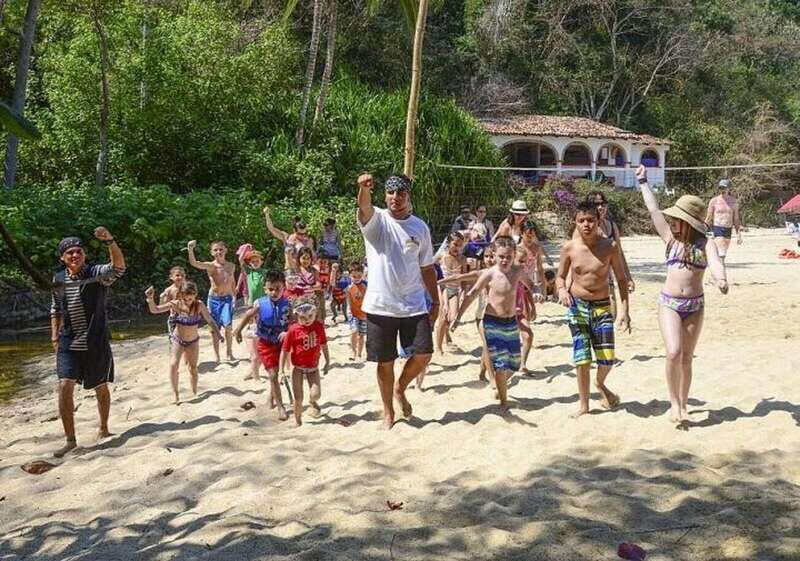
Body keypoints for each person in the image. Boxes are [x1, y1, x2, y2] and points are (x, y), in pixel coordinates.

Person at [636, 165, 728, 424]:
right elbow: (653, 210)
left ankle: (684, 404)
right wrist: (643, 181)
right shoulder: (670, 239)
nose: (673, 223)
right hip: (669, 304)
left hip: (695, 305)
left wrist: (721, 278)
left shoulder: (705, 244)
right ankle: (673, 403)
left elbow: (717, 262)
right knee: (674, 352)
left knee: (687, 357)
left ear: (688, 222)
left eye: (677, 220)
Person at [356, 172, 439, 429]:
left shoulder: (420, 227)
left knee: (424, 354)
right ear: (385, 195)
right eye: (391, 192)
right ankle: (388, 412)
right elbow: (364, 207)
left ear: (408, 195)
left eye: (401, 192)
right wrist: (363, 188)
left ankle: (400, 387)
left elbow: (427, 267)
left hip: (413, 303)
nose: (395, 197)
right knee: (385, 361)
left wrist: (435, 301)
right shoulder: (377, 221)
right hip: (381, 304)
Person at [50, 227, 125, 458]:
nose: (75, 255)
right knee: (64, 385)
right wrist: (54, 335)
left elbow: (119, 268)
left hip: (95, 339)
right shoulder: (58, 279)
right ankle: (70, 440)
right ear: (63, 258)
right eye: (70, 252)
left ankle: (103, 427)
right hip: (68, 341)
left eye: (78, 251)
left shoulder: (96, 273)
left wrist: (110, 241)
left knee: (99, 385)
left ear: (84, 254)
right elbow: (55, 308)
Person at [555, 201, 631, 418]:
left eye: (590, 220)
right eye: (582, 221)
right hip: (577, 306)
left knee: (607, 358)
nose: (586, 224)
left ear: (598, 221)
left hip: (602, 306)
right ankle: (584, 406)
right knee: (582, 357)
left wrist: (625, 311)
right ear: (576, 223)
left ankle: (600, 383)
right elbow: (560, 277)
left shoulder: (609, 247)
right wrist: (562, 291)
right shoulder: (569, 248)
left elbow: (621, 279)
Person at [451, 236, 538, 410]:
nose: (504, 260)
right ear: (495, 256)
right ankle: (504, 401)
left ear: (513, 255)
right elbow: (472, 294)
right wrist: (458, 317)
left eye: (508, 256)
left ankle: (501, 385)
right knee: (500, 364)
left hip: (511, 322)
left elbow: (530, 285)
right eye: (501, 256)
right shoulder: (489, 274)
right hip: (492, 322)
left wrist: (536, 292)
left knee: (514, 363)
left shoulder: (518, 271)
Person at [145, 282, 222, 404]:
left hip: (193, 342)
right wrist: (150, 298)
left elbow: (210, 320)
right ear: (181, 295)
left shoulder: (199, 305)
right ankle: (175, 395)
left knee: (193, 368)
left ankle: (194, 392)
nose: (187, 301)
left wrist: (218, 333)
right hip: (178, 340)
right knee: (173, 364)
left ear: (195, 295)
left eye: (190, 298)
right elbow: (155, 310)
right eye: (185, 298)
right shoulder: (176, 304)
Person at [233, 270, 293, 421]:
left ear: (284, 287)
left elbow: (294, 322)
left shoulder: (288, 304)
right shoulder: (260, 303)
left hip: (282, 342)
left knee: (277, 373)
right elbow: (248, 315)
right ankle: (281, 407)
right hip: (265, 343)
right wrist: (239, 330)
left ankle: (272, 398)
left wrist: (290, 333)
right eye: (270, 289)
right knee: (273, 375)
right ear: (265, 289)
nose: (274, 292)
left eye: (277, 289)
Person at [579, 191, 635, 314]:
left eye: (603, 204)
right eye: (596, 204)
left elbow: (619, 254)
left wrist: (628, 278)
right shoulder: (583, 228)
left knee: (611, 315)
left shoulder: (611, 226)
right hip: (587, 282)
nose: (600, 207)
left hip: (607, 279)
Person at [280, 299, 330, 426]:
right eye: (302, 317)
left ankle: (312, 402)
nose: (307, 319)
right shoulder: (293, 330)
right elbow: (285, 351)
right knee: (298, 397)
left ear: (315, 313)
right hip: (297, 367)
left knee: (316, 394)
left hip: (313, 367)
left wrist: (327, 361)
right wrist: (281, 370)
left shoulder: (318, 326)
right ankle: (298, 421)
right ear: (296, 316)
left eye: (310, 316)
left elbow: (324, 344)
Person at [188, 239, 236, 362]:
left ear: (225, 250)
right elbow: (194, 263)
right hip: (214, 299)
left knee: (228, 326)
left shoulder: (231, 266)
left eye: (221, 249)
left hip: (227, 299)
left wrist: (234, 296)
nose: (218, 252)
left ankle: (229, 352)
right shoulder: (211, 266)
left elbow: (232, 282)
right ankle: (217, 355)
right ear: (211, 252)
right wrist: (190, 249)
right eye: (215, 250)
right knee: (215, 329)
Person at [434, 231, 467, 355]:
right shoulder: (441, 256)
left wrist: (464, 291)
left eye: (460, 245)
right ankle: (438, 346)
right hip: (443, 288)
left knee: (453, 316)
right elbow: (429, 269)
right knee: (443, 315)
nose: (457, 248)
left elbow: (464, 278)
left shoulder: (463, 259)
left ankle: (446, 332)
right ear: (448, 243)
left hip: (455, 290)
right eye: (455, 244)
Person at [237, 249, 267, 381]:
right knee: (252, 332)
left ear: (261, 261)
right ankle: (254, 370)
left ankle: (253, 368)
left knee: (262, 334)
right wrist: (245, 249)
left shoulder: (265, 273)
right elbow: (240, 261)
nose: (255, 263)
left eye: (257, 261)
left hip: (263, 304)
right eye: (252, 261)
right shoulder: (248, 272)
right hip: (251, 304)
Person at [705, 179, 742, 263]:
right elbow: (709, 217)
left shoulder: (734, 202)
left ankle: (716, 266)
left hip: (728, 229)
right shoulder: (714, 201)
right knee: (721, 252)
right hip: (717, 228)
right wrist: (703, 229)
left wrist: (738, 234)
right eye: (720, 188)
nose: (722, 190)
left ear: (729, 189)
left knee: (722, 253)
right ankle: (721, 271)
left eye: (724, 188)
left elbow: (736, 219)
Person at [347, 262, 368, 361]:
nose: (356, 278)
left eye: (359, 275)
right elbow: (333, 283)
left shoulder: (366, 285)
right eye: (354, 276)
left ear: (362, 274)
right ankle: (353, 351)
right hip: (353, 313)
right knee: (354, 331)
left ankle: (359, 353)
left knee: (362, 335)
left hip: (364, 314)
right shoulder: (348, 285)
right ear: (350, 275)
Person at [158, 266, 186, 336]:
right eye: (177, 275)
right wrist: (161, 298)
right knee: (174, 338)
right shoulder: (169, 290)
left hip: (186, 314)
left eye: (182, 275)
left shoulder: (187, 288)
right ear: (171, 277)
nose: (180, 277)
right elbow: (162, 306)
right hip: (174, 317)